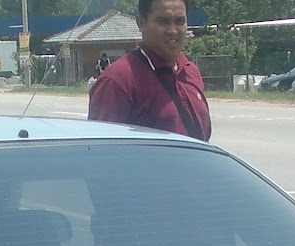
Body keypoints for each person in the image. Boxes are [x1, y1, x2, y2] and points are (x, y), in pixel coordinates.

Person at [87, 0, 211, 141]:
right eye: (163, 21)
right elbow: (100, 152)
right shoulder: (118, 81)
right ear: (141, 23)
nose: (173, 30)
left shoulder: (190, 72)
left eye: (180, 21)